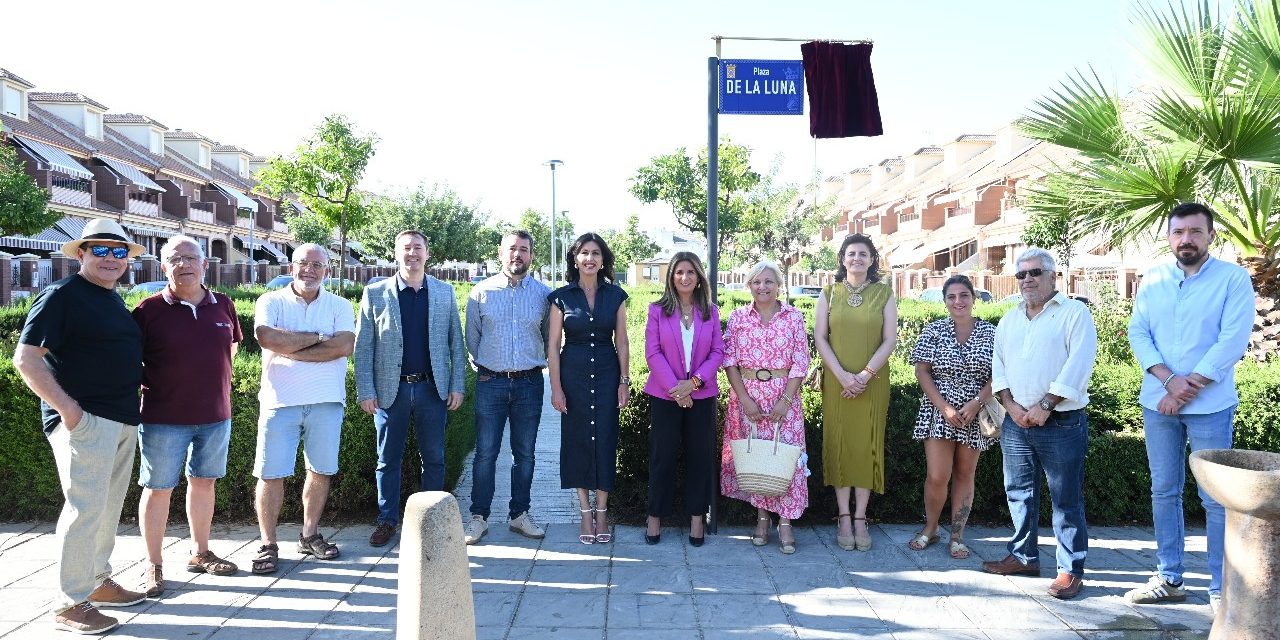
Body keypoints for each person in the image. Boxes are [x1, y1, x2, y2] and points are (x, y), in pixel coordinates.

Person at [12, 218, 148, 634]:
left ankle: (97, 580)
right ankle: (70, 603)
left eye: (119, 251)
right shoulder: (62, 296)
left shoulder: (111, 299)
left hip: (121, 418)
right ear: (82, 254)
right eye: (101, 250)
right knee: (84, 509)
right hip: (87, 422)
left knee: (106, 508)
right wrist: (69, 411)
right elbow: (26, 359)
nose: (111, 258)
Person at [1124, 202, 1254, 611]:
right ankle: (1170, 577)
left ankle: (1220, 589)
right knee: (1164, 490)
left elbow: (1231, 341)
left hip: (1210, 405)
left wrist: (1184, 389)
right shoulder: (1154, 279)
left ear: (1211, 235)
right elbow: (1139, 333)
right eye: (1178, 232)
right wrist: (1168, 380)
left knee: (1215, 497)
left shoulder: (1233, 280)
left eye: (1195, 231)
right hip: (1157, 402)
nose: (1186, 239)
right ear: (1169, 237)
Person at [983, 247, 1098, 601]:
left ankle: (1070, 570)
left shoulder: (1075, 313)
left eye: (1035, 273)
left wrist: (1046, 405)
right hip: (1016, 421)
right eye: (1021, 275)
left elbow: (1079, 363)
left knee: (1065, 498)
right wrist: (1010, 406)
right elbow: (998, 365)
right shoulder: (1010, 318)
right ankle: (1023, 557)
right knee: (1019, 492)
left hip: (1060, 421)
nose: (1028, 280)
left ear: (1053, 277)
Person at [132, 235, 241, 597]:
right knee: (159, 488)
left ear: (205, 265)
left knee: (204, 482)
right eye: (175, 259)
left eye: (191, 258)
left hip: (215, 416)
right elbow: (131, 364)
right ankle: (153, 564)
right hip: (163, 419)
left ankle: (201, 552)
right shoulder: (147, 311)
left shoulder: (223, 305)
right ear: (163, 266)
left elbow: (233, 349)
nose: (184, 264)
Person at [355, 231, 467, 547]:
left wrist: (457, 384)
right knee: (388, 459)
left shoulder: (444, 293)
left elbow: (455, 345)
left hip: (433, 389)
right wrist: (366, 389)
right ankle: (387, 520)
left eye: (418, 247)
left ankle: (430, 520)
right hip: (392, 391)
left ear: (427, 254)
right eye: (406, 248)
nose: (412, 253)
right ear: (396, 253)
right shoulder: (375, 293)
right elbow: (363, 346)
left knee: (434, 458)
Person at [252, 243, 355, 574]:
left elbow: (344, 346)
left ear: (327, 269)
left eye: (316, 264)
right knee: (270, 474)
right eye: (302, 263)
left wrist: (292, 346)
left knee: (321, 470)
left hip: (326, 401)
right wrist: (319, 339)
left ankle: (309, 535)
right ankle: (268, 543)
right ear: (290, 266)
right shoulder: (270, 301)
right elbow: (267, 337)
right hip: (278, 401)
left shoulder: (339, 305)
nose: (309, 269)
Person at [462, 230, 551, 545]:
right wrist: (486, 364)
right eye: (512, 249)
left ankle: (519, 515)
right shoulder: (480, 293)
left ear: (531, 255)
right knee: (485, 452)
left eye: (524, 249)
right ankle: (478, 518)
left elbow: (549, 335)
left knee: (524, 453)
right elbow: (472, 338)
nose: (518, 255)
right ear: (501, 253)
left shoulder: (544, 294)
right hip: (491, 382)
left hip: (529, 383)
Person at [721, 260, 811, 554]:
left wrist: (786, 400)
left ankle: (785, 521)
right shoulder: (737, 318)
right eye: (757, 282)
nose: (763, 287)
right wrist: (745, 399)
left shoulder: (794, 317)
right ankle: (761, 518)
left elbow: (801, 361)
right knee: (757, 458)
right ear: (749, 285)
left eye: (769, 282)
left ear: (779, 285)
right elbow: (729, 360)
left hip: (784, 397)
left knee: (784, 458)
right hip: (747, 397)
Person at [813, 234, 896, 552]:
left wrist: (863, 376)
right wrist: (843, 377)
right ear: (842, 259)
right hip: (836, 382)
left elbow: (889, 339)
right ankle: (843, 516)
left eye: (863, 254)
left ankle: (861, 517)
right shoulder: (829, 293)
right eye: (851, 253)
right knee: (841, 444)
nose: (857, 258)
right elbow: (821, 338)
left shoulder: (884, 293)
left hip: (872, 383)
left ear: (872, 260)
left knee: (866, 446)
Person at [547, 232, 630, 545]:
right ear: (575, 258)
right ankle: (585, 511)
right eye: (584, 253)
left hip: (608, 373)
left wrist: (624, 380)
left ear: (603, 259)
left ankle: (603, 511)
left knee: (606, 439)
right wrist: (556, 388)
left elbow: (621, 341)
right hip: (574, 374)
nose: (590, 258)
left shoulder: (616, 296)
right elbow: (554, 346)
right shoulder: (561, 297)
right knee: (578, 440)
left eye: (596, 253)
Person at [907, 274, 996, 559]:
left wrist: (976, 402)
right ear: (945, 301)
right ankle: (931, 528)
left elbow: (1001, 373)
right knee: (936, 475)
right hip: (938, 410)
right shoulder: (934, 330)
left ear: (973, 298)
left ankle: (957, 536)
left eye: (964, 295)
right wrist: (944, 407)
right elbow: (922, 371)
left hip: (976, 411)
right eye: (952, 297)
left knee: (965, 474)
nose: (958, 301)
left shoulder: (992, 333)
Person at [642, 252, 725, 547]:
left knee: (700, 458)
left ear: (699, 276)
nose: (685, 277)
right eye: (679, 272)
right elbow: (653, 353)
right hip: (665, 396)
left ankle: (696, 519)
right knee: (662, 457)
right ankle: (654, 517)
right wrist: (677, 391)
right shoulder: (657, 310)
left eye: (691, 272)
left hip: (701, 394)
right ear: (671, 276)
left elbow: (718, 352)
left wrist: (692, 384)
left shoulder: (710, 312)